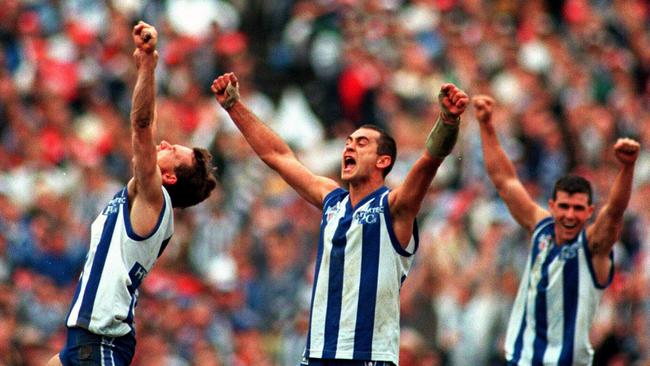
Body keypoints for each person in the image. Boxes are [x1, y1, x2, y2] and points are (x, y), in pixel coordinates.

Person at [211, 72, 468, 366]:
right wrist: (234, 106)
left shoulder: (394, 207)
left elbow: (428, 163)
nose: (349, 147)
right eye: (348, 142)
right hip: (319, 353)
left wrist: (447, 122)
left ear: (383, 161)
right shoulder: (331, 199)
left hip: (367, 356)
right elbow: (278, 155)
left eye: (361, 143)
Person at [47, 21, 217, 366]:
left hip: (102, 341)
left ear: (167, 177)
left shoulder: (155, 198)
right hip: (83, 338)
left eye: (174, 151)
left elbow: (141, 126)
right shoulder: (143, 197)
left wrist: (148, 62)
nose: (165, 142)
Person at [471, 95, 641, 366]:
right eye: (563, 207)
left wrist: (627, 167)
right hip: (522, 360)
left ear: (588, 212)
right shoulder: (541, 228)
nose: (569, 215)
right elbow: (504, 180)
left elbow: (614, 213)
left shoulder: (593, 247)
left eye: (577, 208)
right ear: (552, 206)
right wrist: (486, 124)